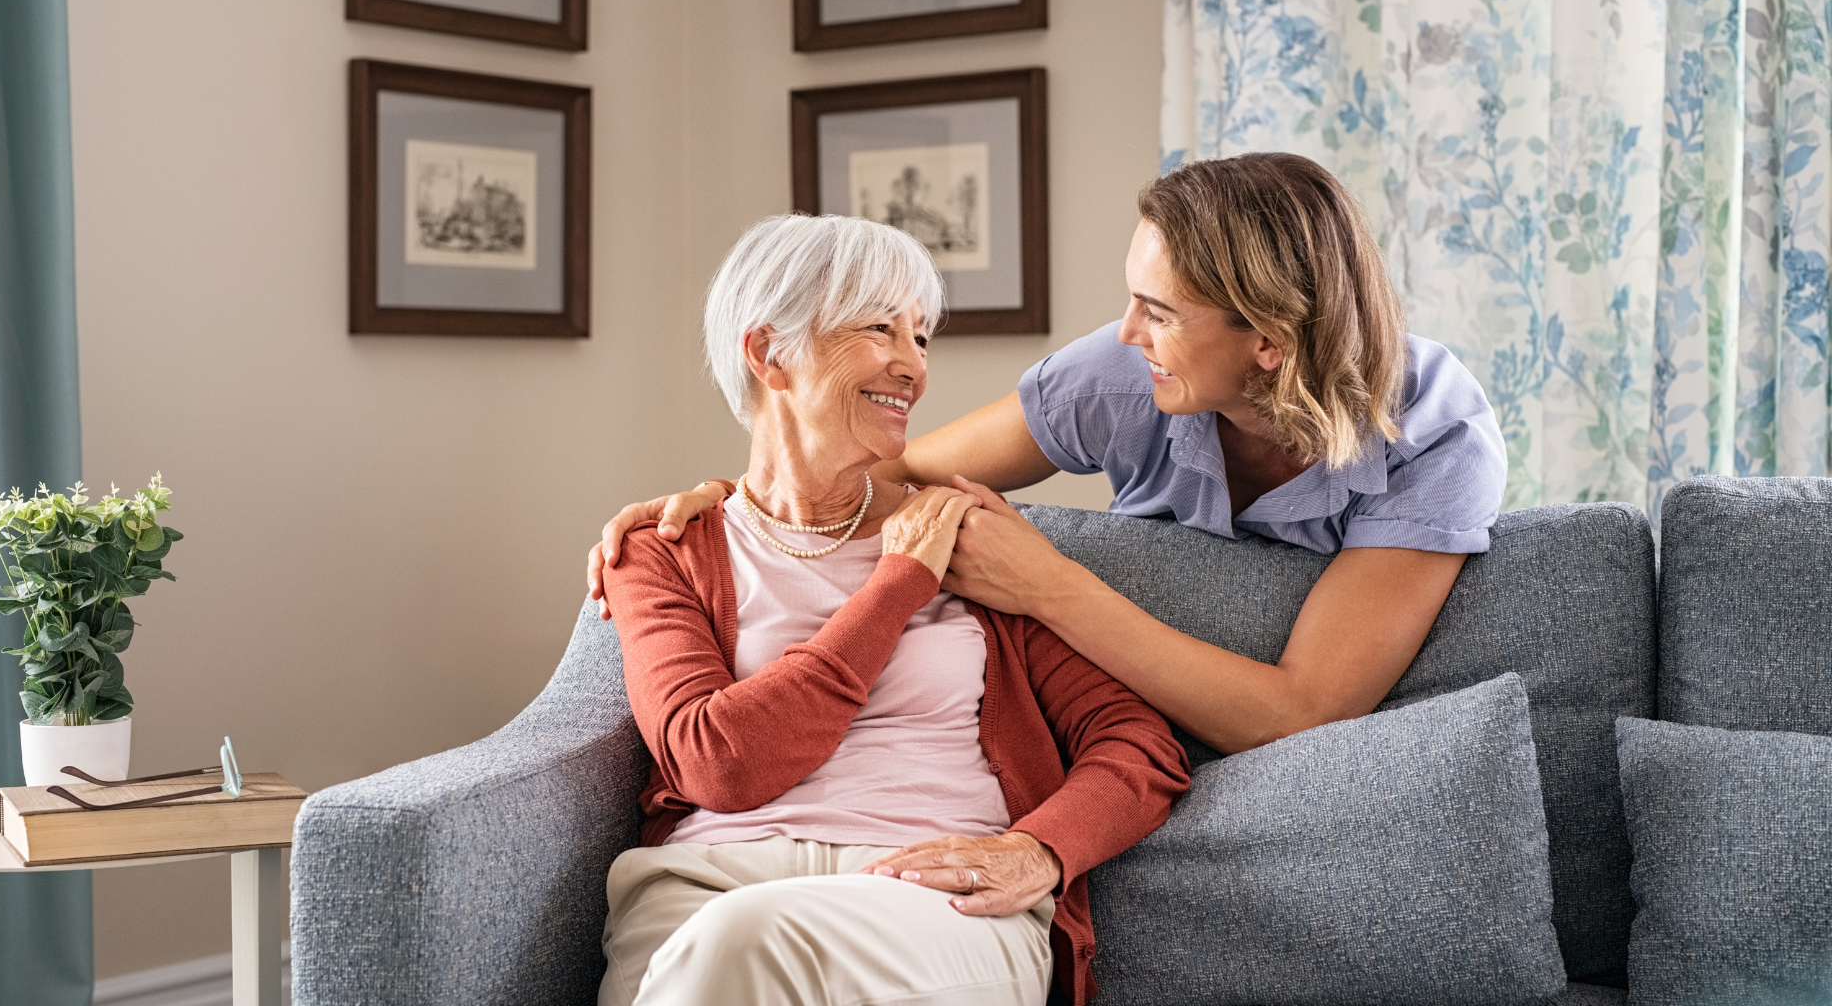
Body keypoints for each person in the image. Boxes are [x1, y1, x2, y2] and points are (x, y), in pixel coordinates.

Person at [591, 152, 1508, 756]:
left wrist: (1047, 584)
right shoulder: (1118, 377)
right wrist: (731, 500)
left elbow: (1304, 713)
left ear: (1268, 341)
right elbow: (887, 474)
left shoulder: (1434, 435)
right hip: (1116, 727)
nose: (1125, 330)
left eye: (1161, 312)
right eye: (1131, 297)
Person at [600, 214, 1189, 1006]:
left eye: (922, 338)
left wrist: (1040, 852)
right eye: (882, 328)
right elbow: (718, 763)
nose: (912, 367)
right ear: (767, 353)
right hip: (703, 886)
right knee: (725, 941)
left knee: (739, 946)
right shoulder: (665, 548)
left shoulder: (969, 539)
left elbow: (1138, 744)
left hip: (928, 891)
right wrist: (896, 586)